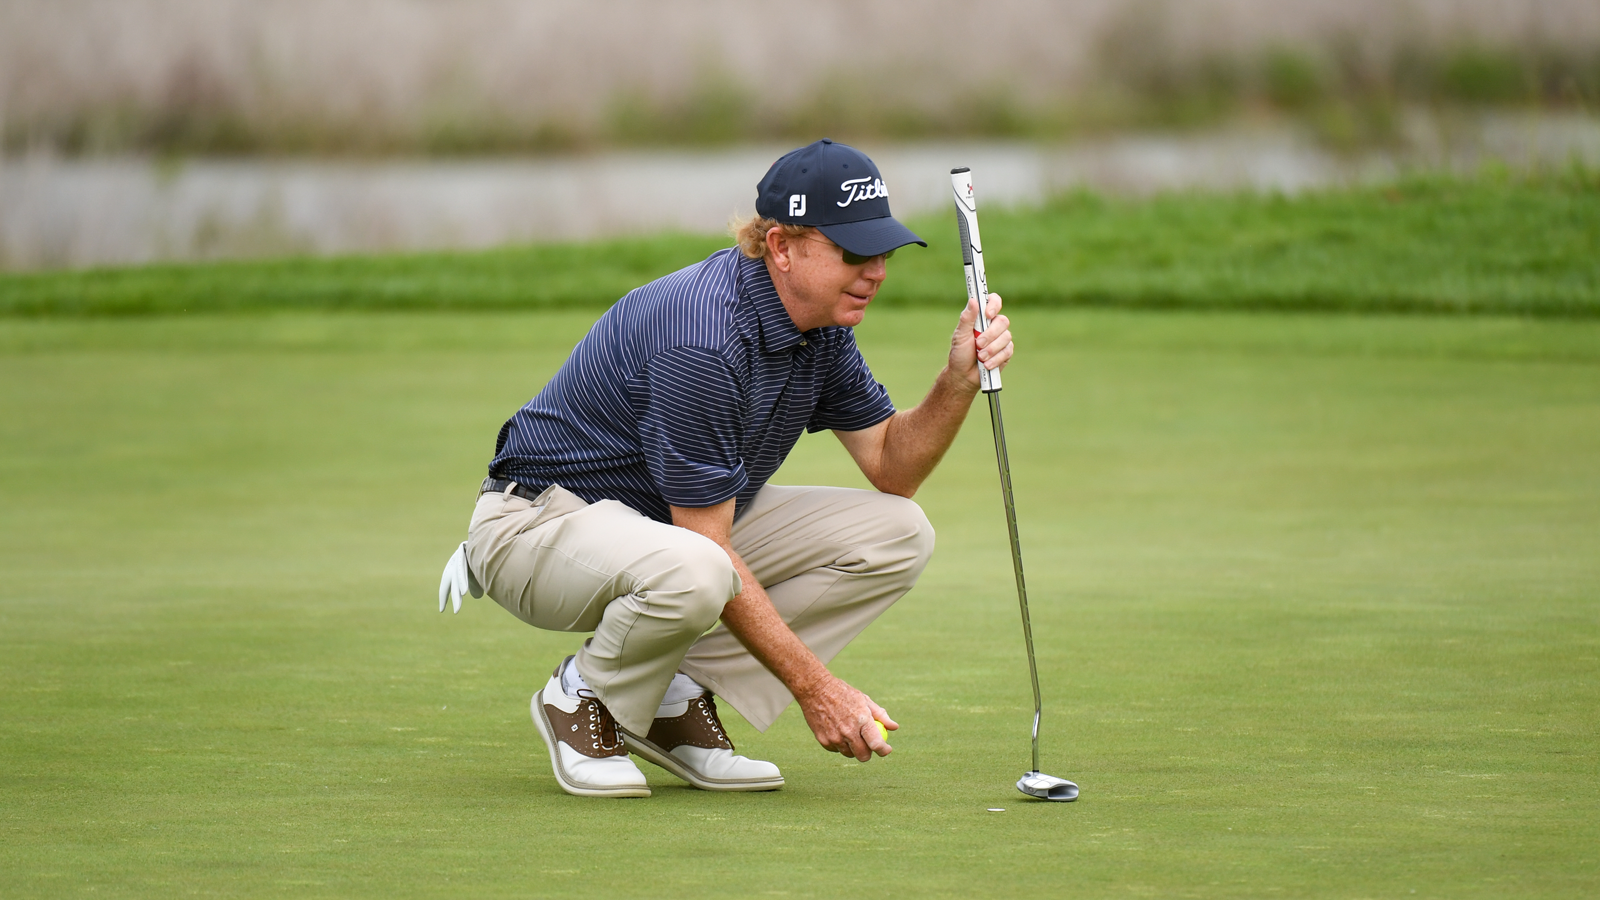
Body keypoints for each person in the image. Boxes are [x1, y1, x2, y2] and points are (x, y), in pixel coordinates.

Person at [438, 139, 1013, 798]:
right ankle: (581, 697)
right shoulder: (704, 339)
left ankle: (671, 698)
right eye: (854, 252)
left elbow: (892, 465)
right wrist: (816, 690)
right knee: (702, 566)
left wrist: (956, 381)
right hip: (535, 528)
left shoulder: (820, 328)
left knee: (898, 532)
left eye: (882, 250)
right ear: (782, 247)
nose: (876, 270)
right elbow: (707, 541)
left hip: (661, 529)